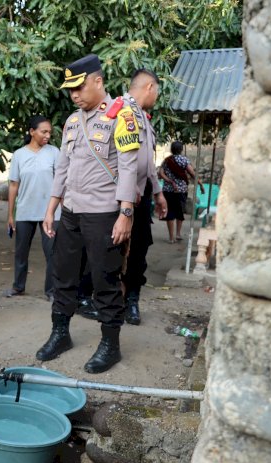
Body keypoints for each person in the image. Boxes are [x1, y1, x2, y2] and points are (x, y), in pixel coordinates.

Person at [36, 54, 139, 374]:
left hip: (103, 213)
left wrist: (125, 213)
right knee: (63, 276)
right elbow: (63, 168)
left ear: (98, 81)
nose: (75, 95)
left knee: (104, 279)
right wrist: (51, 207)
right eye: (70, 90)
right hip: (71, 212)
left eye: (79, 87)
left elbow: (129, 166)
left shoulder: (121, 116)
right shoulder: (70, 121)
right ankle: (60, 334)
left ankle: (110, 345)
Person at [121, 69, 168, 325]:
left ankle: (131, 301)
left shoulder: (144, 119)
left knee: (138, 250)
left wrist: (158, 192)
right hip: (121, 197)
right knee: (113, 249)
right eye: (157, 92)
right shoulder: (119, 112)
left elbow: (147, 163)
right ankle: (108, 299)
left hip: (142, 197)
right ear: (150, 87)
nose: (157, 97)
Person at [5, 115, 59, 301]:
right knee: (21, 252)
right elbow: (13, 185)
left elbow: (60, 183)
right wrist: (10, 215)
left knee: (52, 253)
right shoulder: (19, 155)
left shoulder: (54, 152)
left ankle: (51, 291)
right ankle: (18, 287)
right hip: (25, 211)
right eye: (43, 131)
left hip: (50, 214)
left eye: (49, 132)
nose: (47, 135)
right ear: (31, 132)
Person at [159, 140, 203, 243]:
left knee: (169, 213)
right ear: (181, 149)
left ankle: (171, 238)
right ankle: (178, 234)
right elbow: (192, 174)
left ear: (171, 149)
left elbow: (160, 173)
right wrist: (200, 184)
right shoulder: (184, 160)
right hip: (181, 190)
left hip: (168, 191)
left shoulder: (166, 160)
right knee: (179, 212)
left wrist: (169, 181)